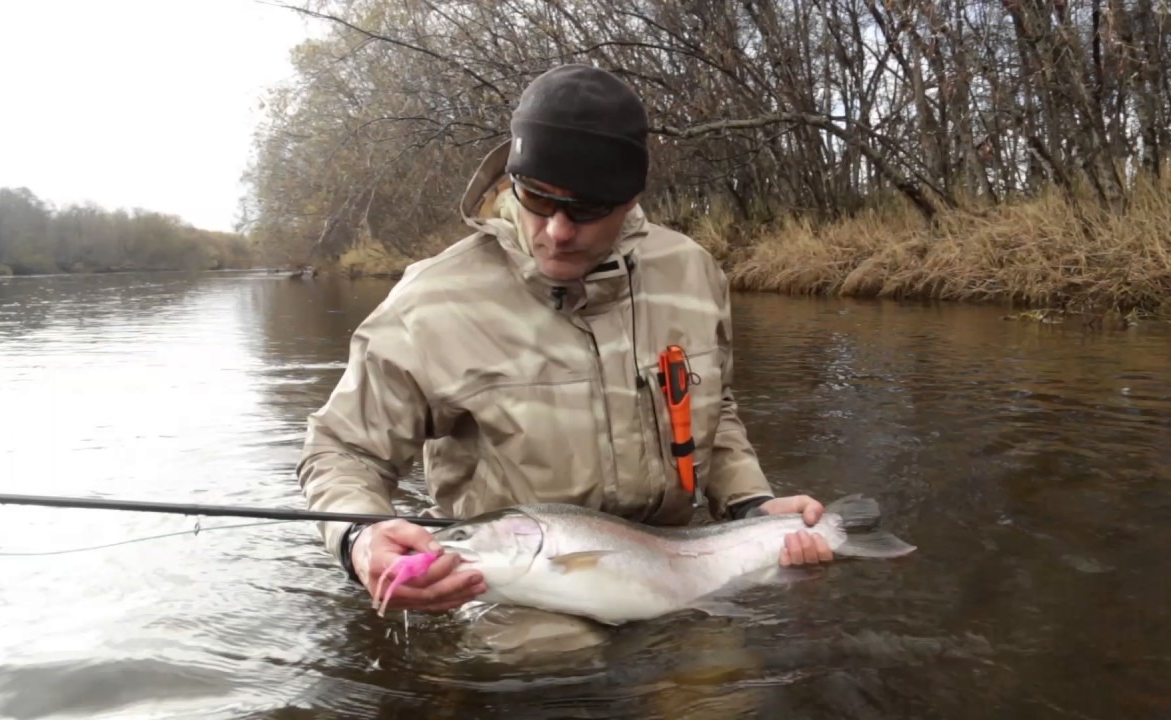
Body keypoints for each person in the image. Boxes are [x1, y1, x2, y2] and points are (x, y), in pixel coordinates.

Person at [297, 63, 834, 615]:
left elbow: (713, 413)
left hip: (675, 570)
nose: (556, 230)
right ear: (511, 180)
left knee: (715, 693)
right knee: (551, 676)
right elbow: (341, 449)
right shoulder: (428, 304)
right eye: (536, 197)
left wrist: (751, 507)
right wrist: (360, 538)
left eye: (586, 209)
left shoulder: (692, 273)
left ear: (629, 199)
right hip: (513, 597)